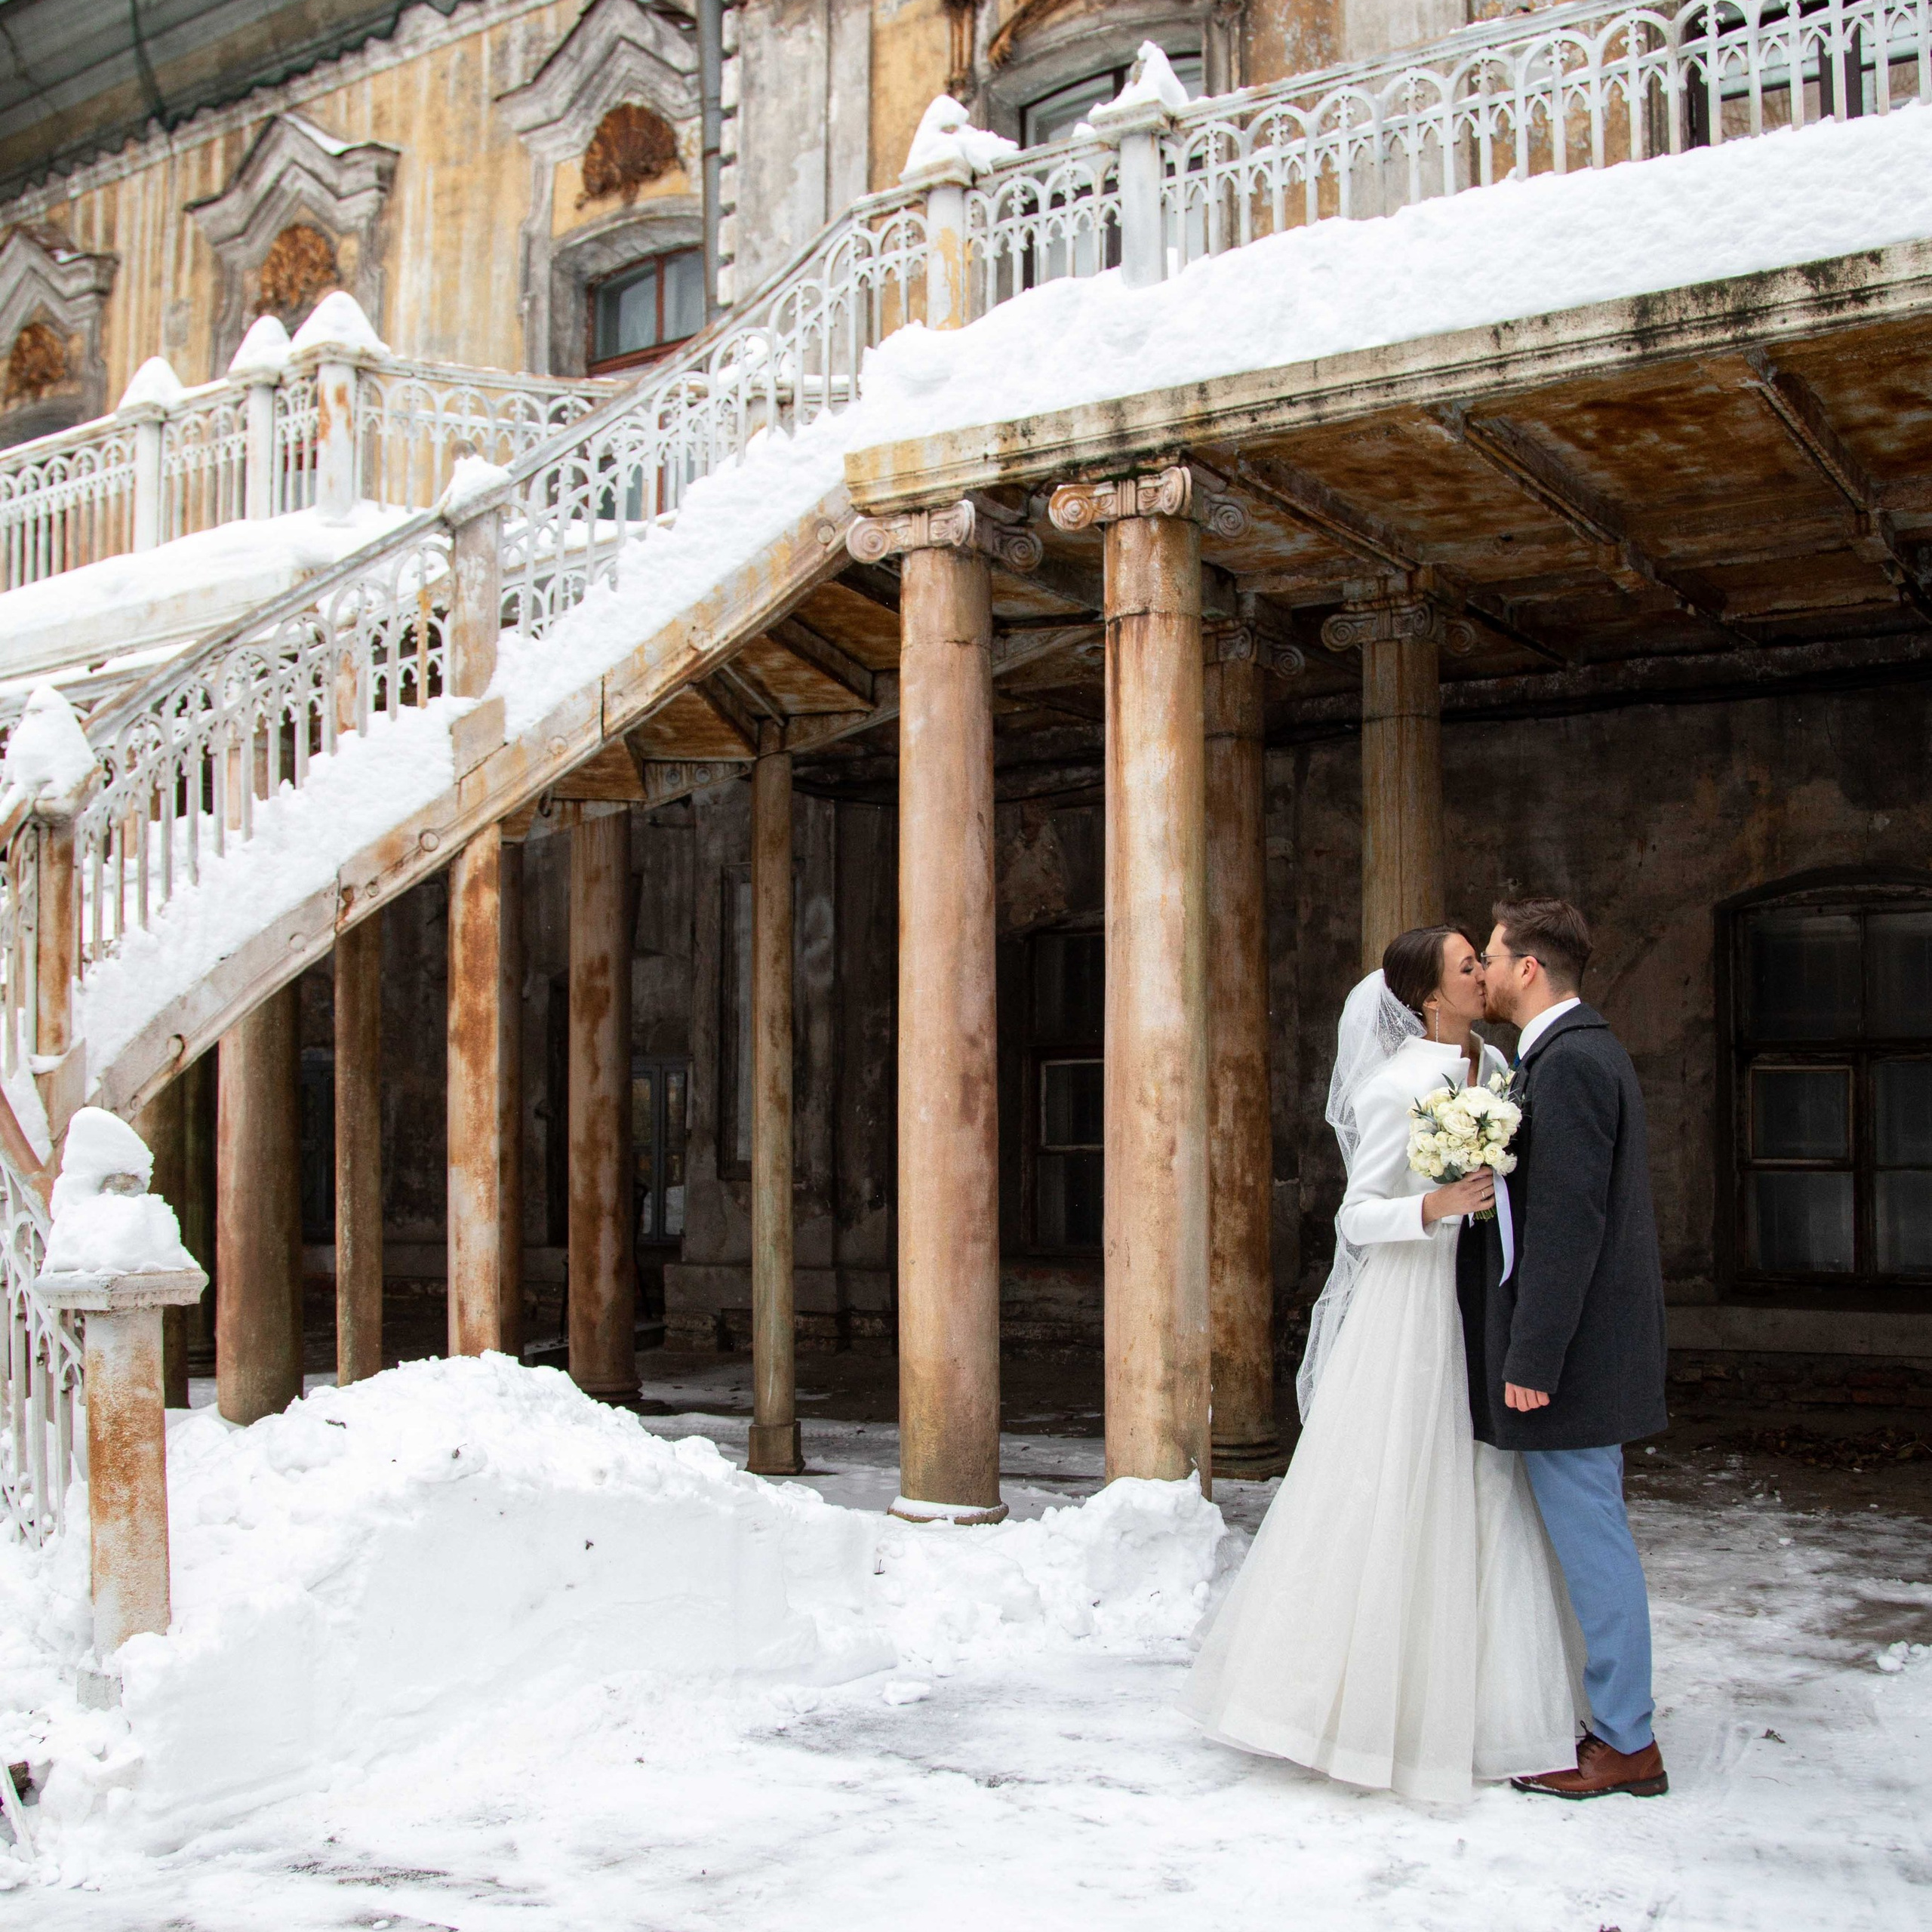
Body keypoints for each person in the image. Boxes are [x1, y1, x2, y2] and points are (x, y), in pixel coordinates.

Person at [1180, 926, 1583, 1804]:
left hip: (1485, 1303)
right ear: (1428, 997)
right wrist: (1432, 1205)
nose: (1481, 974)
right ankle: (1363, 1704)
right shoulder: (1395, 1083)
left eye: (1480, 959)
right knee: (1402, 1480)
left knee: (1485, 1483)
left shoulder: (1500, 1069)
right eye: (1466, 966)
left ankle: (1490, 1697)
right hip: (1413, 1307)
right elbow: (1359, 1216)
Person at [1471, 897, 1670, 1800]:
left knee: (1594, 1540)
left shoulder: (1574, 1063)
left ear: (1528, 969)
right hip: (1580, 1349)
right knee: (1590, 1534)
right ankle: (1613, 1722)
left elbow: (1566, 1227)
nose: (1480, 968)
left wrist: (1532, 1359)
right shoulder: (1563, 1054)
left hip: (1576, 1358)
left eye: (1490, 954)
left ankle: (1627, 1742)